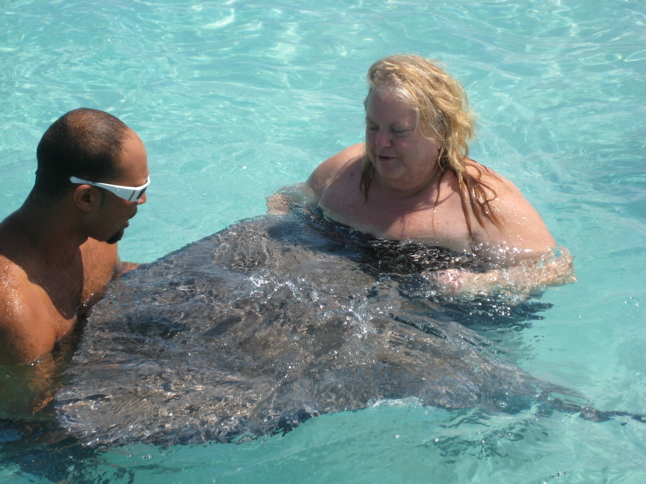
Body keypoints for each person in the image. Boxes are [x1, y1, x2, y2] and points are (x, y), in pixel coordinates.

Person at [269, 54, 574, 294]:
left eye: (398, 131)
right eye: (372, 126)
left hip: (441, 312)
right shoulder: (343, 171)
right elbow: (285, 200)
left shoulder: (484, 201)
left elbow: (557, 268)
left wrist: (479, 284)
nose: (380, 143)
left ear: (441, 133)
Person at [0, 108, 149, 367]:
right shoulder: (16, 312)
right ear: (87, 198)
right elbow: (36, 405)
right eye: (135, 192)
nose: (144, 200)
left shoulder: (98, 240)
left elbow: (119, 286)